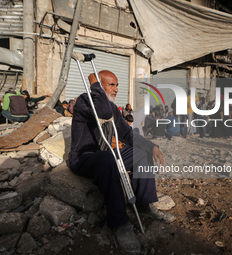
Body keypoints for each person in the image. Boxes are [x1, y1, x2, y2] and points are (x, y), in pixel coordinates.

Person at [69, 70, 174, 255]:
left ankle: (143, 204)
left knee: (141, 155)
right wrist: (95, 86)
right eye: (112, 85)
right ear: (99, 86)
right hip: (84, 157)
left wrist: (151, 146)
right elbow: (102, 111)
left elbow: (127, 134)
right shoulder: (85, 102)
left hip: (107, 154)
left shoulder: (112, 109)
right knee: (108, 158)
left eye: (117, 85)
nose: (117, 89)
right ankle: (119, 224)